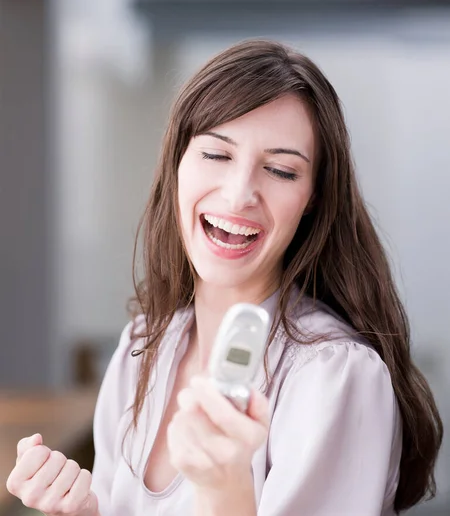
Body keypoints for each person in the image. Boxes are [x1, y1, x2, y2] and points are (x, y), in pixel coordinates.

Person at [7, 39, 443, 516]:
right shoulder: (144, 347)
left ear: (313, 198)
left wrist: (227, 490)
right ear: (177, 164)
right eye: (216, 155)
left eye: (280, 170)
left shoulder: (336, 378)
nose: (239, 196)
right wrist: (78, 512)